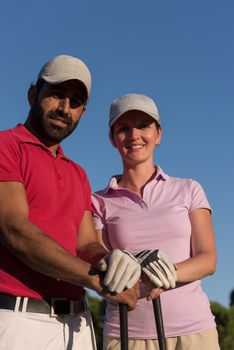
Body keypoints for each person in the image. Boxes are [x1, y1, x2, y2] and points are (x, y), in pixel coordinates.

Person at [0, 56, 141, 350]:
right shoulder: (6, 146)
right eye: (56, 94)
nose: (65, 108)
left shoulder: (77, 172)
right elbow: (14, 229)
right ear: (32, 94)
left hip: (77, 325)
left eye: (75, 102)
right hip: (18, 320)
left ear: (83, 112)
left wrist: (110, 262)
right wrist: (97, 280)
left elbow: (86, 243)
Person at [92, 93, 220, 350]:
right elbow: (98, 266)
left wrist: (169, 272)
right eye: (124, 128)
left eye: (143, 125)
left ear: (159, 134)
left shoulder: (189, 189)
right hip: (126, 334)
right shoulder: (97, 201)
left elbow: (208, 259)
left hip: (194, 332)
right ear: (112, 138)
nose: (134, 135)